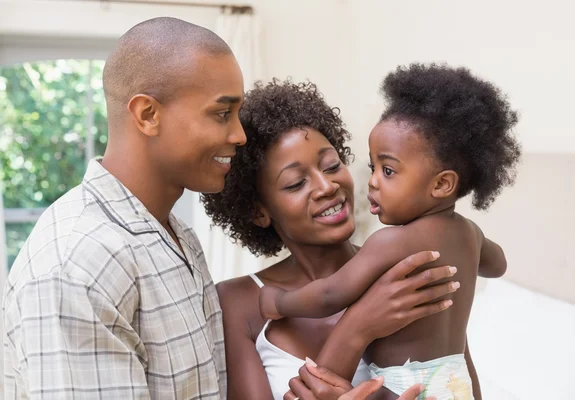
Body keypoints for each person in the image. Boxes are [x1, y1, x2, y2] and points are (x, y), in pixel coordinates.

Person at [2, 17, 246, 398]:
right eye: (221, 114)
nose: (239, 135)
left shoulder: (175, 235)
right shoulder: (79, 261)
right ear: (148, 115)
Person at [258, 64, 521, 399]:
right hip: (458, 383)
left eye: (388, 170)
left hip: (402, 385)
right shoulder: (470, 233)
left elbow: (329, 295)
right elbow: (498, 266)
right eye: (372, 167)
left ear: (441, 184)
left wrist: (279, 301)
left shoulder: (389, 242)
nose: (372, 181)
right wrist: (471, 250)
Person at [202, 79, 467, 400]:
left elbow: (458, 382)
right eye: (296, 183)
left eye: (331, 165)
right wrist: (358, 327)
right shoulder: (238, 302)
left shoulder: (406, 268)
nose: (327, 186)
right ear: (259, 212)